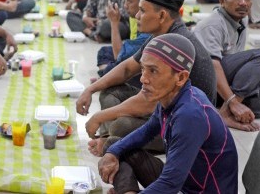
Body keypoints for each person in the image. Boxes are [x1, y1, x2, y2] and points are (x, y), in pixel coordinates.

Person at [81, 0, 216, 155]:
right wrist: (90, 89)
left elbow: (147, 103)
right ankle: (109, 137)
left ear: (161, 16)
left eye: (143, 11)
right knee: (110, 91)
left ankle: (110, 140)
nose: (137, 15)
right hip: (161, 108)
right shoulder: (160, 35)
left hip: (184, 127)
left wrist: (99, 116)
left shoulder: (174, 43)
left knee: (121, 125)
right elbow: (127, 69)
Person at [98, 33, 238, 194]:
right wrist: (112, 152)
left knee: (117, 149)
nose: (143, 79)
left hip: (194, 190)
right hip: (184, 182)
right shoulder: (171, 97)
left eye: (153, 71)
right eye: (143, 69)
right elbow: (146, 132)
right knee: (113, 146)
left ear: (180, 77)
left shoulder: (190, 115)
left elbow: (170, 185)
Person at [194, 0, 260, 132]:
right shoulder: (212, 25)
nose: (243, 2)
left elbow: (242, 67)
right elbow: (212, 66)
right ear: (222, 1)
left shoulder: (241, 21)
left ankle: (223, 110)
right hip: (205, 85)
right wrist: (233, 101)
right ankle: (227, 110)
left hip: (224, 85)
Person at [96, 0, 151, 78]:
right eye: (124, 0)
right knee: (104, 51)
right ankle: (107, 76)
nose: (125, 5)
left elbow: (119, 57)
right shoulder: (134, 16)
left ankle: (106, 76)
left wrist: (114, 22)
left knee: (113, 67)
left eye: (129, 1)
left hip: (140, 66)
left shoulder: (149, 28)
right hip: (133, 52)